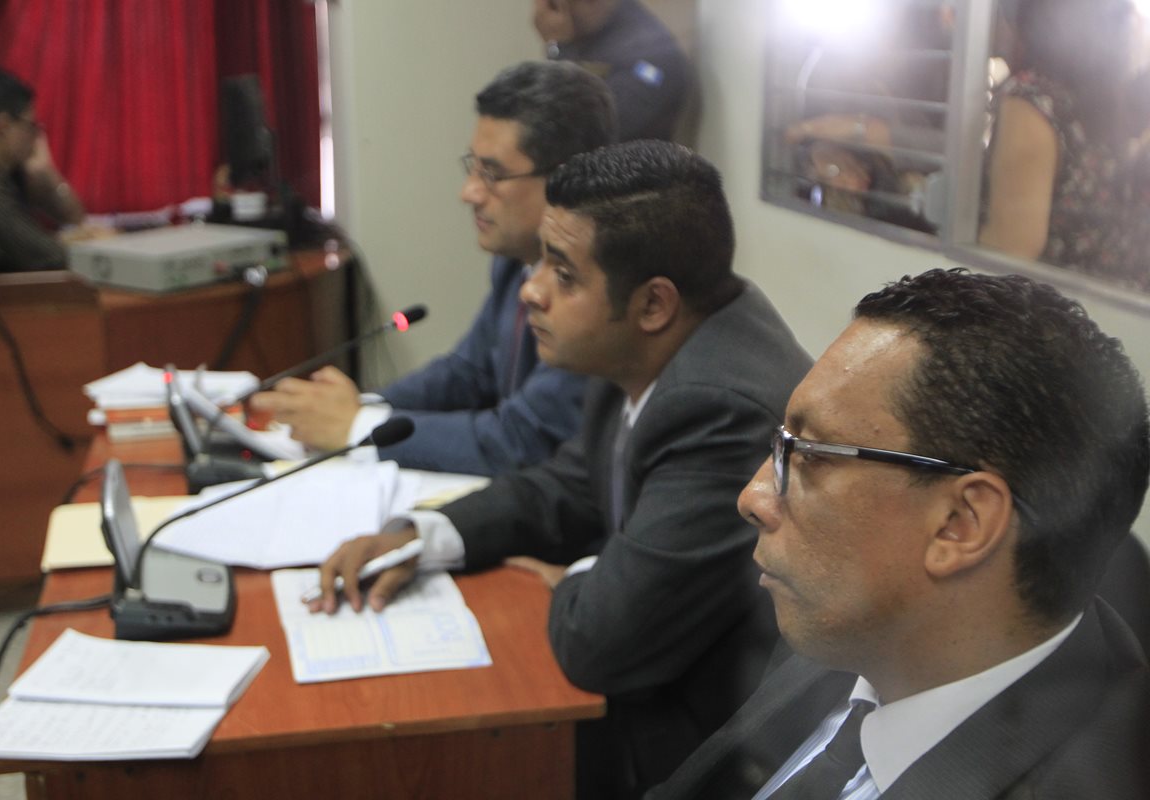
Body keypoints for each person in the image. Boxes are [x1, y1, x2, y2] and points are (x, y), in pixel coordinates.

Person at [309, 140, 813, 798]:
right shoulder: (643, 342)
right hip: (640, 692)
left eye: (563, 274)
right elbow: (570, 484)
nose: (531, 291)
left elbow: (602, 641)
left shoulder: (721, 409)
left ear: (653, 304)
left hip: (693, 749)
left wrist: (578, 574)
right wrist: (424, 535)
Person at [649, 268, 1150, 799]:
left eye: (812, 455)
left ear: (960, 524)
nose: (753, 498)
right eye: (782, 444)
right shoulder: (863, 630)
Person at [250, 61, 616, 476]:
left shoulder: (600, 293)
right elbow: (467, 372)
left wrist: (358, 426)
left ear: (566, 178)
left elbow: (520, 441)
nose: (469, 192)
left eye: (492, 174)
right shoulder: (515, 262)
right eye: (473, 167)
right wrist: (362, 409)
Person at [979, 0, 1141, 284]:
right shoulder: (1109, 101)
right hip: (1114, 313)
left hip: (1049, 315)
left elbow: (1011, 248)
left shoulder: (1033, 99)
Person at [0, 65, 95, 274]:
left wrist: (47, 175)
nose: (36, 136)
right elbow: (52, 258)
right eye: (31, 125)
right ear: (3, 126)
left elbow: (73, 217)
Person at [533, 0, 689, 141]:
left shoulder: (650, 51)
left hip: (629, 168)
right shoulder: (587, 33)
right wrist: (557, 45)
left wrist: (560, 47)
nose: (546, 14)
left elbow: (592, 130)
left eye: (553, 5)